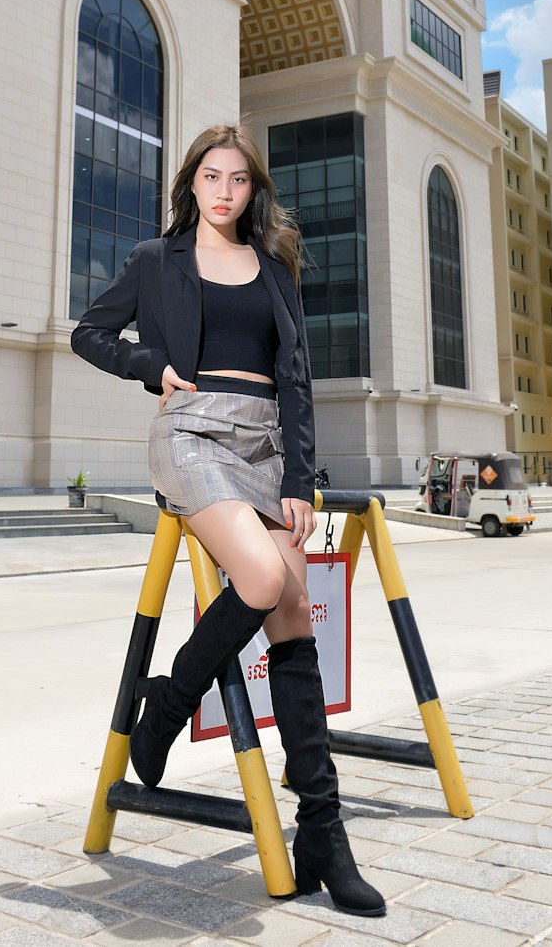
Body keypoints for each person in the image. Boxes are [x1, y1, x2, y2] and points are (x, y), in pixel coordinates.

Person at [71, 121, 384, 918]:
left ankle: (324, 829)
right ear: (192, 184)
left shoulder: (275, 267)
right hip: (194, 431)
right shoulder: (156, 260)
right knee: (262, 574)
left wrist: (302, 479)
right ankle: (170, 706)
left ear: (253, 191)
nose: (223, 191)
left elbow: (299, 378)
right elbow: (90, 333)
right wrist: (154, 369)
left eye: (237, 180)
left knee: (292, 618)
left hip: (267, 442)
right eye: (210, 176)